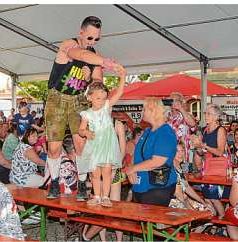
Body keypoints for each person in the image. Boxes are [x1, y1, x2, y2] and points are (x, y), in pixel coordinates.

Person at [45, 15, 121, 200]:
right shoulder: (68, 45)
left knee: (81, 143)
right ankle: (54, 182)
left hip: (79, 99)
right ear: (81, 33)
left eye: (96, 39)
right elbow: (77, 54)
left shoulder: (93, 57)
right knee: (54, 147)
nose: (92, 42)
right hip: (57, 98)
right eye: (89, 38)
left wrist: (90, 78)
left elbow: (98, 84)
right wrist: (103, 61)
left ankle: (81, 183)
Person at [78, 66, 126, 207]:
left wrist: (122, 77)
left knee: (106, 172)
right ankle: (97, 196)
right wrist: (86, 132)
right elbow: (81, 130)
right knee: (94, 173)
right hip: (94, 146)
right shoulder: (86, 113)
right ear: (89, 97)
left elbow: (119, 93)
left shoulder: (106, 107)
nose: (101, 101)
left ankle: (106, 196)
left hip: (107, 146)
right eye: (98, 98)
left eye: (104, 98)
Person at [126, 97, 177, 206]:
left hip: (157, 188)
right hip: (140, 185)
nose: (142, 112)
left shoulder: (165, 133)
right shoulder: (147, 131)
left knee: (152, 222)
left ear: (153, 111)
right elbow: (137, 153)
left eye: (144, 109)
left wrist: (132, 169)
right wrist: (132, 168)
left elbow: (157, 161)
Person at [191, 103, 228, 218]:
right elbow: (203, 152)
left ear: (216, 117)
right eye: (205, 113)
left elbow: (220, 152)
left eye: (208, 113)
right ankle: (212, 222)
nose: (205, 115)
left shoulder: (220, 130)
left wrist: (203, 145)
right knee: (208, 197)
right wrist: (198, 148)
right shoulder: (205, 130)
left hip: (217, 169)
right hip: (207, 167)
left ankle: (222, 219)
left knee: (213, 198)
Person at [167, 92, 196, 164]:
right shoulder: (165, 117)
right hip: (168, 154)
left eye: (176, 100)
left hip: (183, 154)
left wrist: (181, 108)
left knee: (185, 174)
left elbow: (192, 124)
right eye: (171, 100)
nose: (174, 102)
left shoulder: (186, 115)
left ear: (181, 102)